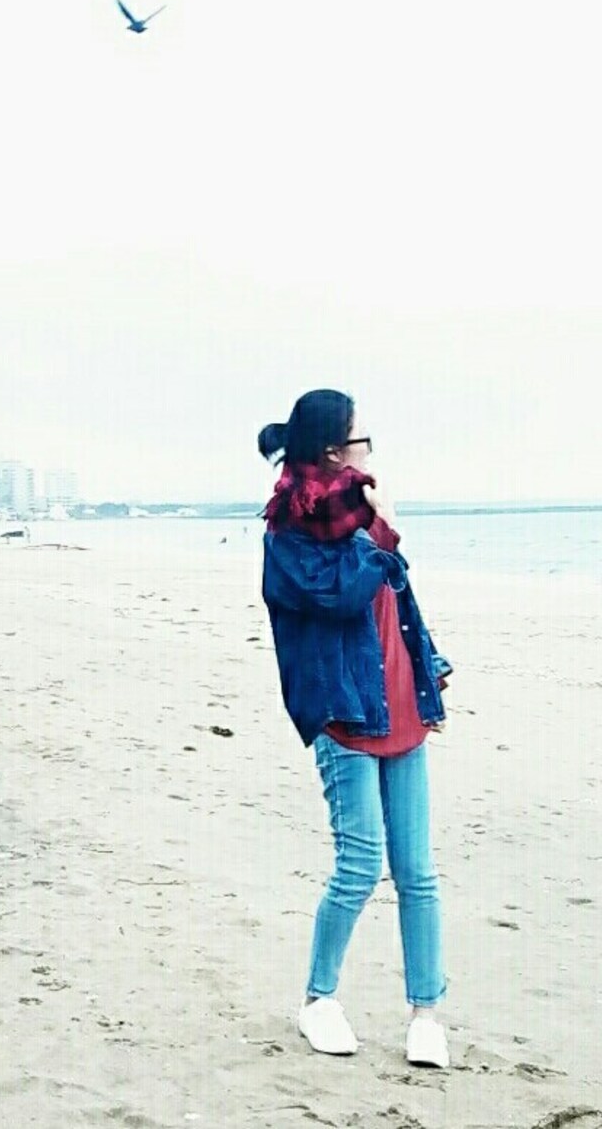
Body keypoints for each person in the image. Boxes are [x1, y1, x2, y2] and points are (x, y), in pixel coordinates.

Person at [258, 389, 452, 1069]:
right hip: (344, 713)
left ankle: (426, 1014)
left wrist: (430, 670)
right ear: (335, 453)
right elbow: (339, 595)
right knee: (360, 865)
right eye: (362, 440)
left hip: (402, 708)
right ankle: (319, 999)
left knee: (417, 872)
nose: (371, 453)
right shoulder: (288, 535)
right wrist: (380, 527)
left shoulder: (362, 520)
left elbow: (400, 609)